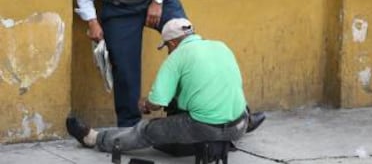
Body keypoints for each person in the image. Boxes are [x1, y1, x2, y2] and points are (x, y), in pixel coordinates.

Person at [66, 18, 265, 152]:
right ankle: (247, 123)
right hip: (238, 125)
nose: (168, 51)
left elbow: (157, 101)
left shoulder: (177, 56)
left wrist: (145, 104)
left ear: (172, 44)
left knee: (146, 130)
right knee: (223, 95)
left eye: (167, 48)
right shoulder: (221, 46)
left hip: (205, 128)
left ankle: (94, 139)